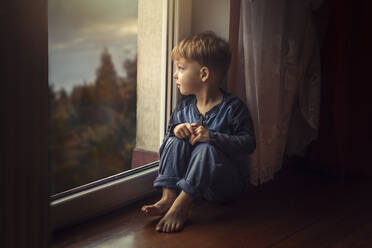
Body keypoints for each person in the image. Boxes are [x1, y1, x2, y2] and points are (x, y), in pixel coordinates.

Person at [140, 30, 256, 233]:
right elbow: (167, 143)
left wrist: (212, 137)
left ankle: (182, 205)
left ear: (203, 74)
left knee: (206, 149)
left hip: (224, 186)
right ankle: (169, 197)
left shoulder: (233, 108)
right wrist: (176, 130)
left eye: (181, 68)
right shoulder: (184, 108)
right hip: (195, 185)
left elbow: (248, 143)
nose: (175, 74)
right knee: (173, 140)